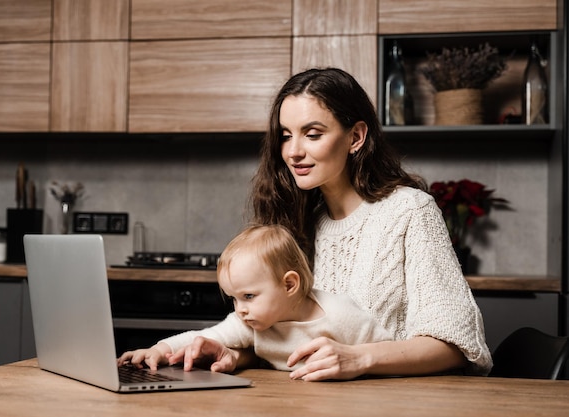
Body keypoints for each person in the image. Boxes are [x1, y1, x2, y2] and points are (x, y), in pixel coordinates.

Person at [156, 67, 493, 381]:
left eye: (312, 134)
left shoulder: (410, 211)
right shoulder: (296, 219)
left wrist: (359, 358)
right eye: (286, 136)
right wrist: (234, 355)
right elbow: (285, 340)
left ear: (356, 137)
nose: (293, 151)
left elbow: (455, 346)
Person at [117, 224, 392, 372]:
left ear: (290, 285)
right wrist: (157, 350)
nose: (241, 310)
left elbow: (386, 351)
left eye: (249, 296)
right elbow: (203, 338)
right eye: (234, 299)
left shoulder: (340, 314)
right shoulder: (249, 321)